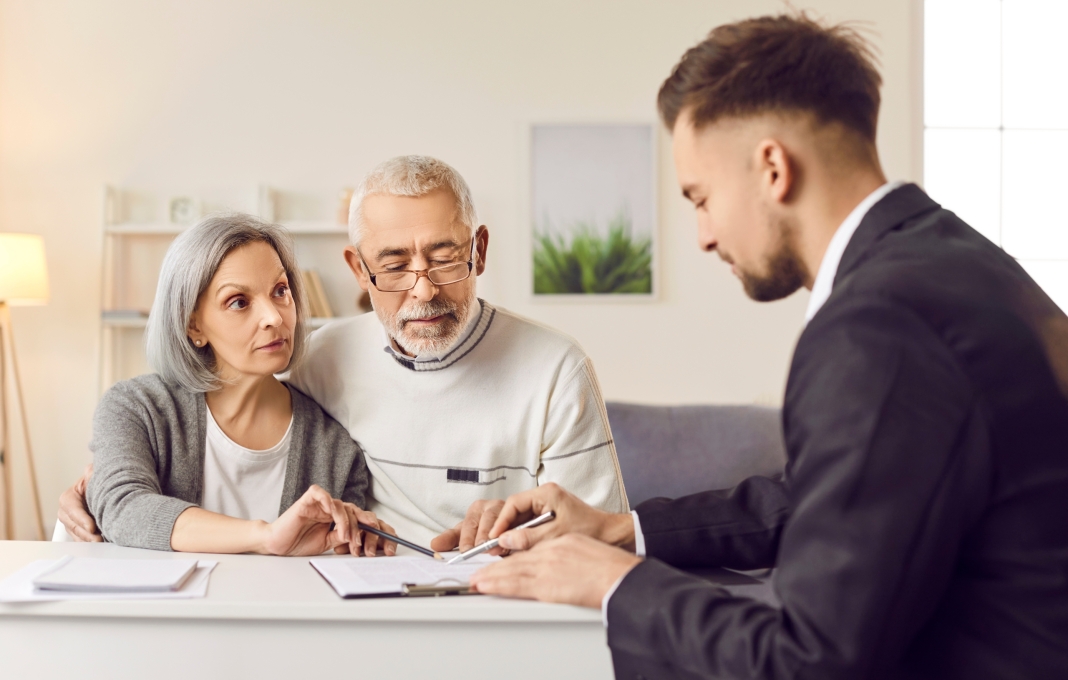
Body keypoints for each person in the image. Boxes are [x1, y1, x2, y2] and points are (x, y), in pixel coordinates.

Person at [468, 14, 1068, 679]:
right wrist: (620, 530)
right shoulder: (963, 262)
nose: (703, 236)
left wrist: (614, 583)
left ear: (773, 168)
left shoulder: (877, 324)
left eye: (701, 198)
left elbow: (808, 661)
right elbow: (834, 499)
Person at [61, 156, 628, 551]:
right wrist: (100, 491)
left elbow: (606, 539)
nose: (423, 290)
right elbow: (130, 495)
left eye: (443, 257)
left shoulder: (556, 369)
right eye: (394, 264)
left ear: (478, 251)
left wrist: (517, 538)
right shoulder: (323, 357)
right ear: (358, 269)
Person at [85, 213, 395, 557]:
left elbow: (335, 567)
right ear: (193, 326)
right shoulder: (136, 409)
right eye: (239, 302)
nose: (274, 317)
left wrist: (359, 542)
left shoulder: (334, 450)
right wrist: (267, 537)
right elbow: (123, 507)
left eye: (280, 291)